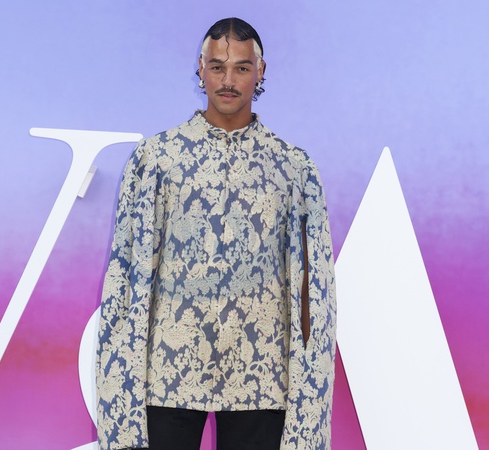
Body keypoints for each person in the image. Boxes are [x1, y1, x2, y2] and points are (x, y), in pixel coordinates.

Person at [96, 17, 336, 450]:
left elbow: (312, 286)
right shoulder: (157, 158)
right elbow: (127, 270)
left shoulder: (292, 168)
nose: (228, 81)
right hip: (168, 371)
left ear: (260, 72)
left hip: (262, 373)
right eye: (217, 66)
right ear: (200, 69)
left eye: (241, 68)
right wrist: (122, 370)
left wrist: (308, 378)